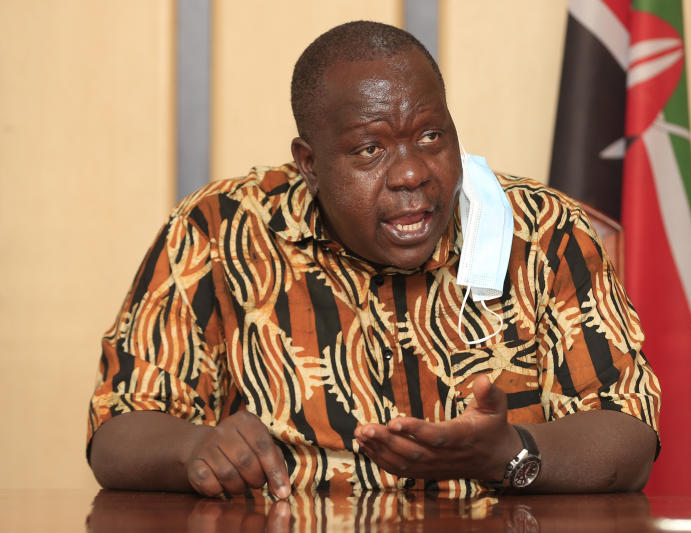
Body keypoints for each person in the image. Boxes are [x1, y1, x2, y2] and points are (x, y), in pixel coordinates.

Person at [88, 21, 660, 498]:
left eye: (431, 136)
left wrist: (508, 452)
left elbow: (628, 438)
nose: (411, 173)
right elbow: (117, 433)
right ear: (310, 164)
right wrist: (195, 447)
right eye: (370, 149)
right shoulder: (219, 230)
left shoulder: (542, 230)